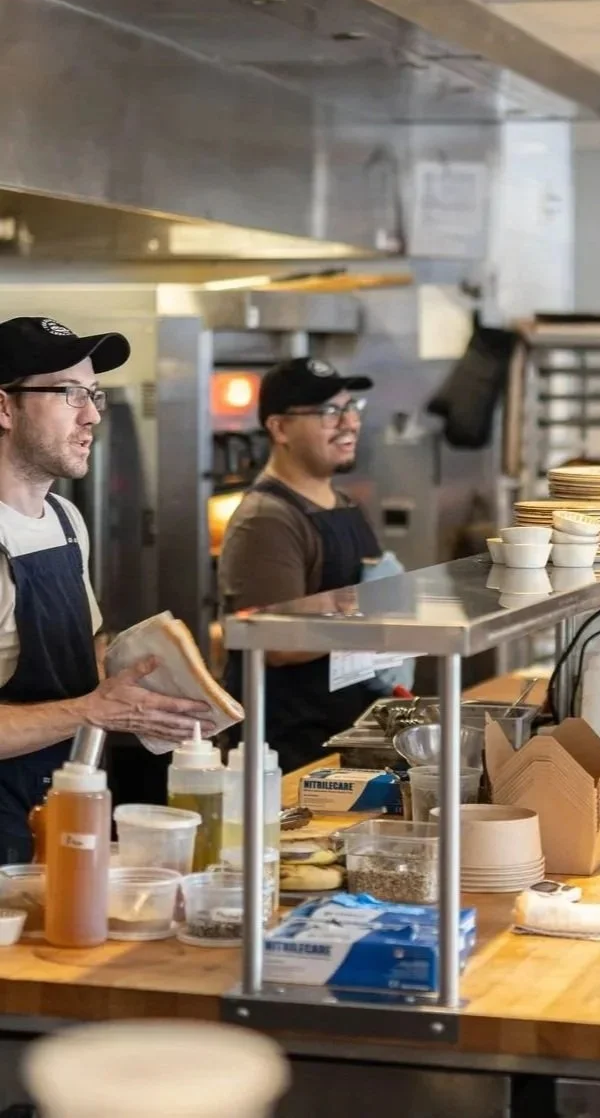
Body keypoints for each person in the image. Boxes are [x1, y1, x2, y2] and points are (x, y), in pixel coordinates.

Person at [0, 316, 212, 862]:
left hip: (70, 804)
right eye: (70, 394)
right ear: (4, 408)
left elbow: (88, 658)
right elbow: (89, 704)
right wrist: (95, 711)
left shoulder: (67, 519)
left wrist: (158, 689)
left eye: (94, 395)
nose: (92, 414)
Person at [219, 357, 410, 774]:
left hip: (342, 731)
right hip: (289, 749)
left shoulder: (344, 506)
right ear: (280, 428)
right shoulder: (267, 519)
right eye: (328, 412)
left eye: (350, 408)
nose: (348, 423)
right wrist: (378, 615)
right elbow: (277, 642)